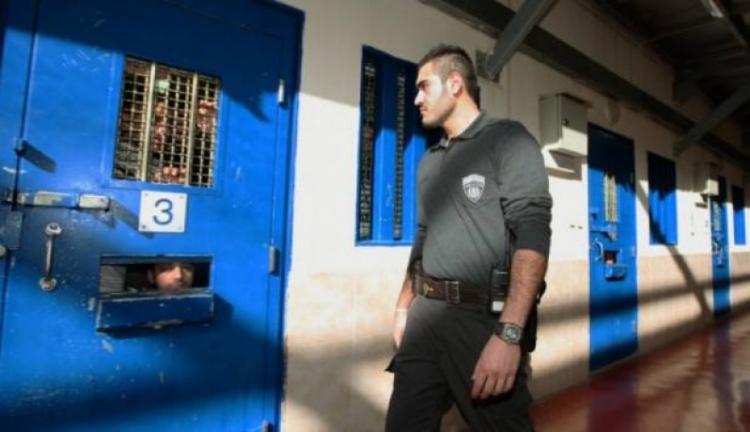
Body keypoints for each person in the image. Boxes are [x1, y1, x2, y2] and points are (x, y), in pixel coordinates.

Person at [386, 45, 552, 431]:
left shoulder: (508, 140)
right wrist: (403, 307)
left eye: (424, 87)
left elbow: (532, 233)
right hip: (426, 316)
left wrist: (509, 334)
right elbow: (424, 239)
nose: (416, 99)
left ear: (455, 83)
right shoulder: (430, 161)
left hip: (480, 321)